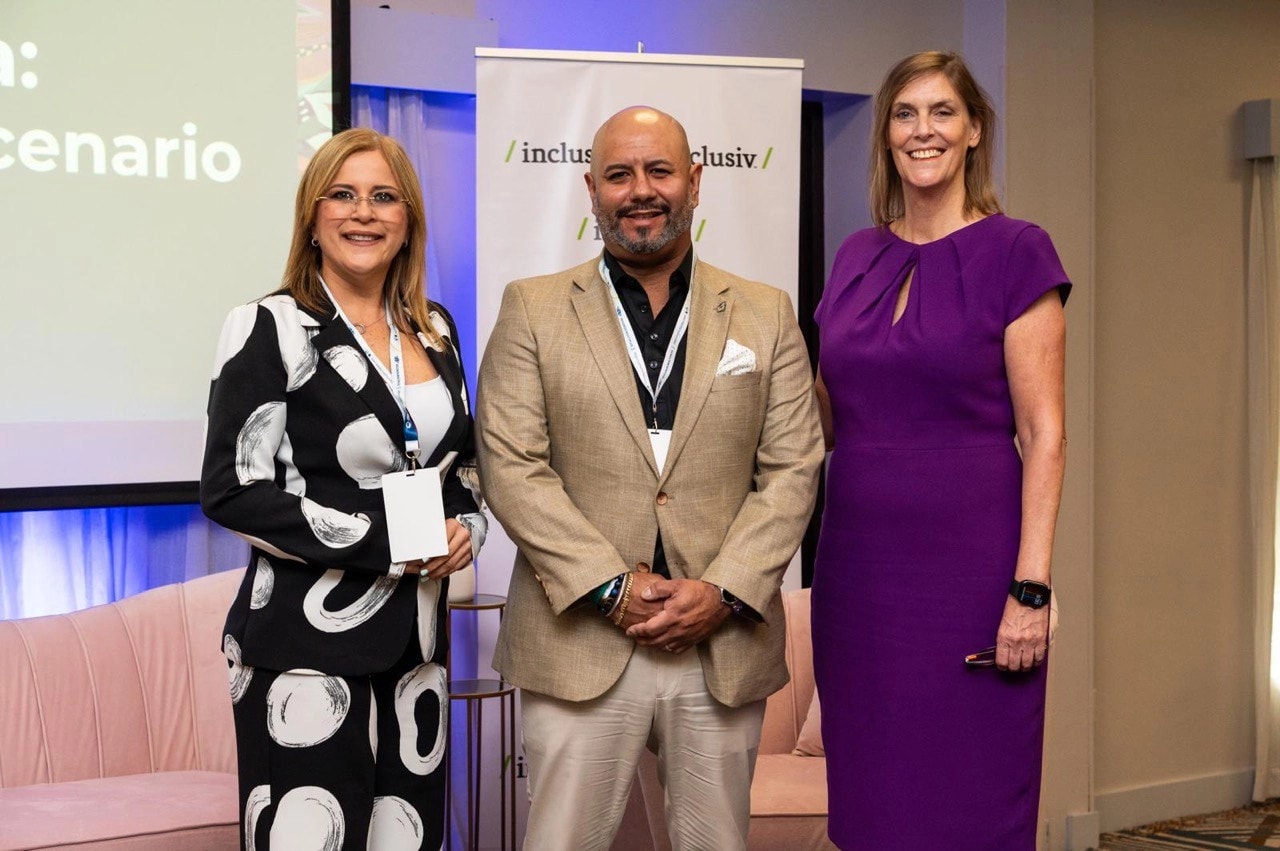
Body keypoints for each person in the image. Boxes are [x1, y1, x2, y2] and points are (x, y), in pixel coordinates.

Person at [476, 105, 824, 850]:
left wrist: (723, 591)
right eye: (619, 174)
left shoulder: (766, 312)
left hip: (719, 643)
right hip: (579, 638)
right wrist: (611, 588)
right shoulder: (532, 308)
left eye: (659, 170)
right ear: (591, 190)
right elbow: (511, 466)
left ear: (694, 182)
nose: (640, 190)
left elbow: (793, 467)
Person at [811, 50, 1070, 850]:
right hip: (857, 579)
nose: (923, 130)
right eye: (905, 114)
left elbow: (1045, 434)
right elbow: (825, 418)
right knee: (872, 805)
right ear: (886, 135)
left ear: (974, 131)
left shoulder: (1019, 251)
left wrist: (1031, 588)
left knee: (969, 800)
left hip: (971, 576)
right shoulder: (855, 257)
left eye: (942, 112)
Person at [200, 127, 485, 850]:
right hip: (302, 655)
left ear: (408, 219)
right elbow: (232, 489)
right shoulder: (268, 326)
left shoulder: (437, 329)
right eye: (343, 195)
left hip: (418, 648)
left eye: (384, 196)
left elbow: (463, 469)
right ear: (313, 215)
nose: (364, 212)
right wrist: (389, 543)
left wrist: (467, 529)